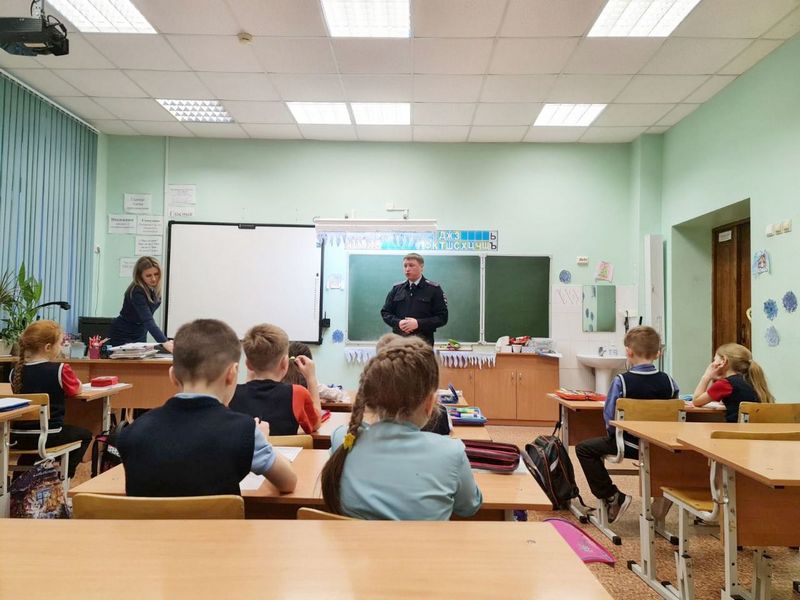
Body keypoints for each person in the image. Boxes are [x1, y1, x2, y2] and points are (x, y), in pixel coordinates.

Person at [116, 319, 297, 496]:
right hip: (219, 519)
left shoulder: (131, 434)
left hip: (150, 519)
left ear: (172, 375)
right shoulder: (245, 432)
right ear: (232, 373)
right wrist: (262, 442)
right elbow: (288, 483)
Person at [320, 335, 482, 520]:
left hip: (352, 540)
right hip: (424, 541)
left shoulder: (343, 439)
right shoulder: (452, 452)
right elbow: (469, 507)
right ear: (430, 403)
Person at [575, 326, 679, 524]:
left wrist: (613, 435)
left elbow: (609, 416)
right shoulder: (669, 381)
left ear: (629, 352)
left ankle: (613, 496)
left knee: (584, 449)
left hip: (628, 444)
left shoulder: (621, 381)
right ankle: (662, 493)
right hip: (660, 445)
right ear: (658, 353)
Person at [10, 320, 92, 479]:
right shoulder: (60, 369)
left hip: (18, 437)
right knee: (85, 435)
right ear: (48, 347)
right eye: (60, 344)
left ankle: (20, 484)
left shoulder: (15, 373)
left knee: (32, 451)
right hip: (50, 435)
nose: (61, 348)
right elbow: (77, 389)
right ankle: (62, 477)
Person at [229, 324, 322, 436]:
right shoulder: (297, 393)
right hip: (284, 448)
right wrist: (311, 378)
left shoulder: (231, 394)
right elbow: (315, 424)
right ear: (285, 363)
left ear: (248, 364)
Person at [692, 342, 773, 422]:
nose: (713, 363)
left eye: (714, 360)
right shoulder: (752, 380)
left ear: (723, 360)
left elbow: (696, 401)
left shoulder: (726, 384)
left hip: (737, 429)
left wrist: (706, 376)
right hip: (757, 428)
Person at [380, 253, 448, 346]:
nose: (407, 269)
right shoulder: (396, 289)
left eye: (411, 265)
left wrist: (418, 323)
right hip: (399, 342)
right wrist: (398, 322)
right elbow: (385, 313)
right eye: (405, 266)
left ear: (421, 267)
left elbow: (442, 318)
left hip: (423, 344)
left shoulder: (434, 289)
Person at [108, 256, 173, 352]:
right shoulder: (136, 291)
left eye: (156, 274)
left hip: (140, 332)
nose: (154, 279)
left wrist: (165, 342)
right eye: (148, 275)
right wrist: (165, 342)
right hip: (123, 333)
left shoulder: (154, 290)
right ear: (140, 276)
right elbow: (148, 320)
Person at [282, 341, 322, 410]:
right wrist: (311, 377)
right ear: (308, 362)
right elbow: (316, 415)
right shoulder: (310, 383)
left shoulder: (278, 382)